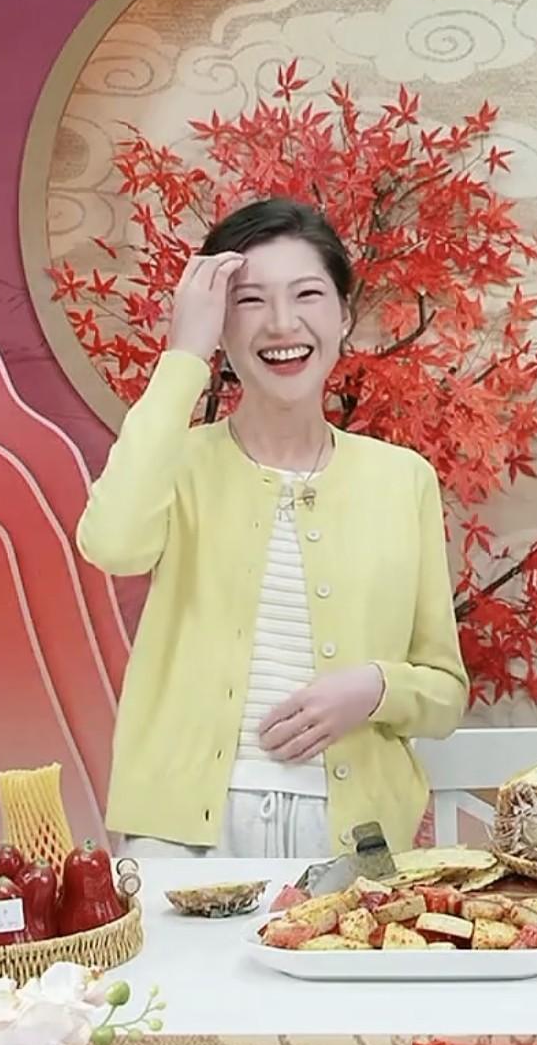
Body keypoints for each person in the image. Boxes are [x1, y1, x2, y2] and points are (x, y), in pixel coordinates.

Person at [77, 196, 467, 859]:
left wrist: (374, 687)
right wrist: (183, 356)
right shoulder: (178, 460)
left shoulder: (403, 479)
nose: (282, 323)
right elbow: (112, 544)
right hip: (180, 834)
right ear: (220, 325)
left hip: (354, 836)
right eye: (250, 300)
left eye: (308, 294)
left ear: (344, 315)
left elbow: (445, 692)